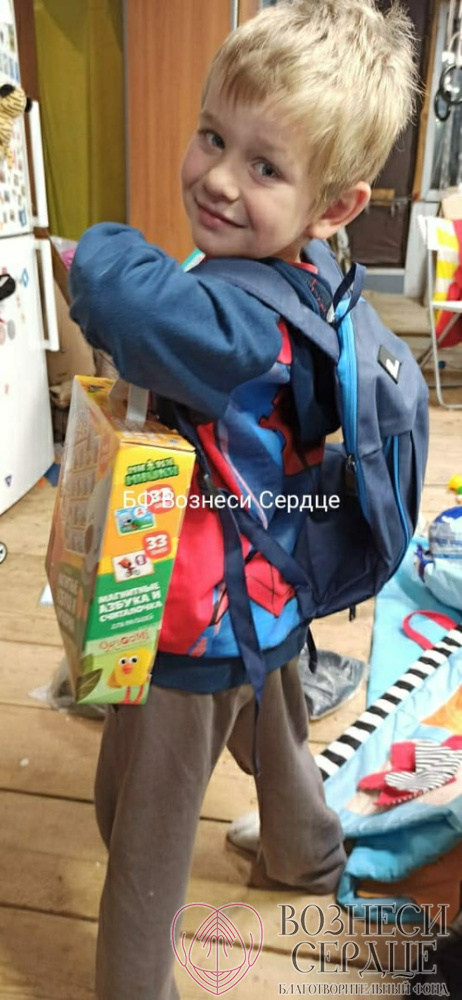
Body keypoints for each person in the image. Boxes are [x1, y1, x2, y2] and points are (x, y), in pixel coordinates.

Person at [69, 2, 417, 997]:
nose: (220, 178)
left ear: (334, 206)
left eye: (264, 166)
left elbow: (116, 290)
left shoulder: (228, 321)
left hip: (195, 610)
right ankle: (306, 852)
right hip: (272, 581)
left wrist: (88, 248)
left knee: (140, 829)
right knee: (275, 716)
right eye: (213, 136)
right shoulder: (307, 274)